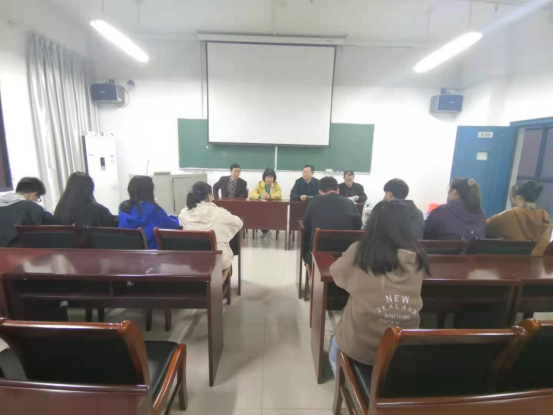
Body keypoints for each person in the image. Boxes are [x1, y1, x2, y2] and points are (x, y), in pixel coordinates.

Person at [328, 199, 428, 377]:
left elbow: (336, 275)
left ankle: (346, 383)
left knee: (334, 345)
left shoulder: (360, 251)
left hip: (360, 350)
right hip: (402, 348)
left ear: (373, 223)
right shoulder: (418, 258)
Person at [179, 182, 243, 271]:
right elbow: (238, 223)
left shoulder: (184, 213)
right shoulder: (220, 212)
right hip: (215, 262)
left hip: (191, 261)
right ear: (209, 196)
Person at [302, 176, 362, 264]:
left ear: (319, 191)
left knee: (305, 241)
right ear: (338, 190)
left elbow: (306, 224)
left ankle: (311, 267)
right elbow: (358, 225)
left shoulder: (315, 201)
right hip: (345, 253)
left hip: (320, 251)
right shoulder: (350, 203)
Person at [486, 180, 551, 255]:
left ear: (519, 197)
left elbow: (484, 226)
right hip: (541, 262)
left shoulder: (509, 215)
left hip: (514, 261)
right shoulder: (545, 216)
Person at [118, 176, 179, 249]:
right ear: (150, 191)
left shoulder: (124, 208)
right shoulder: (154, 210)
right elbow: (173, 225)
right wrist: (173, 217)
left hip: (127, 254)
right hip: (152, 254)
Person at [0, 177, 58, 247]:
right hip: (18, 251)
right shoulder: (29, 205)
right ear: (33, 195)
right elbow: (55, 224)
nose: (37, 201)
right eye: (38, 199)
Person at [250, 168, 282, 239]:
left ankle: (265, 231)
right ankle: (266, 231)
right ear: (264, 177)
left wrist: (270, 196)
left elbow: (279, 194)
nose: (269, 179)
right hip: (261, 207)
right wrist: (260, 196)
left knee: (268, 215)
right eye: (267, 177)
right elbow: (251, 194)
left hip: (273, 208)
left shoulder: (276, 184)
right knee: (260, 215)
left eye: (271, 177)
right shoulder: (260, 183)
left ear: (274, 178)